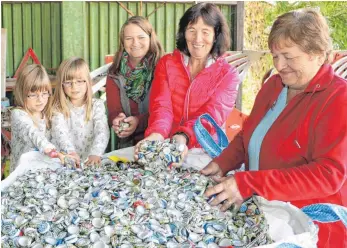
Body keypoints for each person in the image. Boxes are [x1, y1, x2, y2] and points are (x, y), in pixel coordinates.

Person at [202, 9, 347, 247]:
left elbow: (328, 175)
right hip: (266, 212)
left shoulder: (338, 98)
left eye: (289, 57)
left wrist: (248, 183)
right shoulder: (274, 84)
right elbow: (248, 134)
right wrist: (221, 163)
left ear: (318, 54)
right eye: (275, 56)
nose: (280, 65)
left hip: (308, 227)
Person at [136, 3, 240, 161]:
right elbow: (161, 106)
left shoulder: (228, 75)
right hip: (167, 144)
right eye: (192, 31)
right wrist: (156, 135)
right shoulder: (166, 64)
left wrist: (183, 136)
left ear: (216, 35)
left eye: (205, 32)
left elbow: (210, 116)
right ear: (184, 33)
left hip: (205, 150)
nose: (197, 39)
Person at [106, 16, 164, 148]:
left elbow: (166, 111)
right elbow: (113, 110)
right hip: (128, 146)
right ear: (122, 42)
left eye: (141, 37)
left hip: (159, 143)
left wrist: (139, 121)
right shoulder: (114, 72)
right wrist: (117, 119)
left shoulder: (163, 67)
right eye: (129, 38)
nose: (135, 43)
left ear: (150, 38)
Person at [50, 57, 110, 166]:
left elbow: (102, 131)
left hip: (91, 161)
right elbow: (60, 133)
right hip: (65, 161)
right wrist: (71, 153)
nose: (74, 87)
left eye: (79, 81)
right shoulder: (57, 108)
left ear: (88, 81)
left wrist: (96, 153)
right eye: (68, 82)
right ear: (61, 84)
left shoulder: (97, 105)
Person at [10, 64, 58, 172]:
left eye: (44, 93)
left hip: (42, 172)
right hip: (21, 175)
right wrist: (46, 147)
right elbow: (31, 132)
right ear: (21, 93)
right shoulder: (18, 114)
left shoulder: (47, 114)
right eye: (33, 95)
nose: (40, 100)